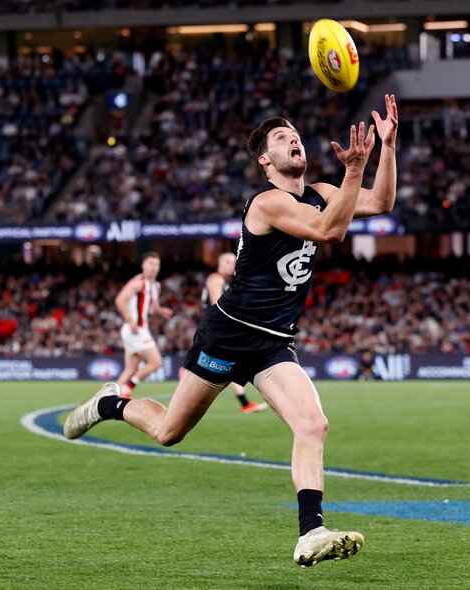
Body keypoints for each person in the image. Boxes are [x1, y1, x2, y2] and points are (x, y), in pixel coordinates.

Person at [65, 94, 398, 566]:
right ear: (266, 160)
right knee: (168, 432)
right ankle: (109, 403)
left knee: (312, 424)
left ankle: (311, 532)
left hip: (273, 340)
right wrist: (354, 170)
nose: (294, 141)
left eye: (295, 135)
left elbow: (381, 202)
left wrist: (387, 147)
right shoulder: (266, 202)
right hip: (228, 332)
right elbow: (329, 231)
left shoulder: (323, 191)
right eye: (282, 139)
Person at [202, 252, 269, 414]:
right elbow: (217, 306)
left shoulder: (230, 282)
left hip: (220, 331)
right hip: (215, 330)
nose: (231, 265)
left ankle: (246, 404)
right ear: (219, 263)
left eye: (233, 262)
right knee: (231, 366)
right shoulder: (215, 279)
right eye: (227, 261)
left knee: (234, 366)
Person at [114, 251, 174, 398]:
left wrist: (161, 311)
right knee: (156, 362)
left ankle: (105, 399)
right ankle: (128, 388)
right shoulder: (138, 283)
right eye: (151, 264)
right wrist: (129, 320)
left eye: (156, 264)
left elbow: (153, 307)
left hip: (138, 330)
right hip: (136, 330)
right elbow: (119, 300)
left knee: (130, 369)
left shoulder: (155, 286)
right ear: (143, 265)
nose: (154, 267)